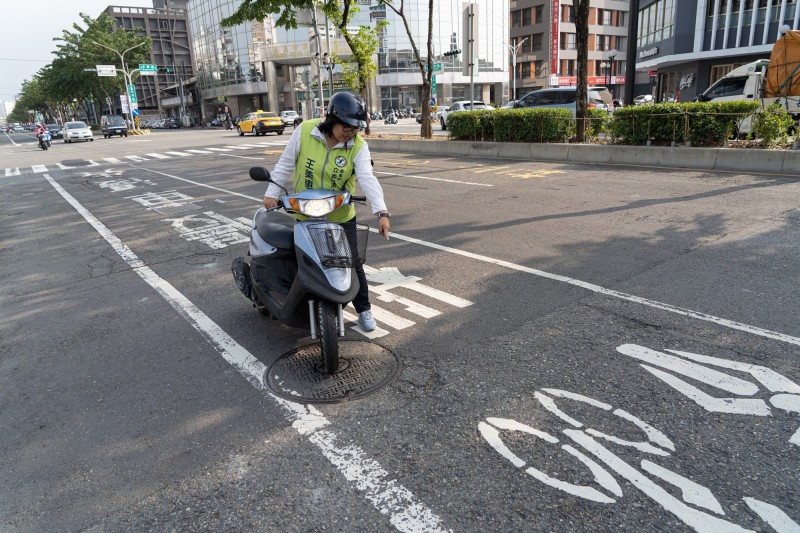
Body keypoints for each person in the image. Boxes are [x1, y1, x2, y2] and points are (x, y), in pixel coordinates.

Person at [262, 91, 391, 331]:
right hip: (306, 213)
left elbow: (367, 177)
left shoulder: (358, 146)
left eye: (356, 128)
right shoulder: (305, 131)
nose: (350, 133)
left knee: (352, 262)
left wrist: (381, 211)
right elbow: (286, 163)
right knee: (301, 258)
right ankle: (294, 301)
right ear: (332, 119)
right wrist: (271, 193)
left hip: (341, 215)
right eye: (347, 127)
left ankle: (364, 310)